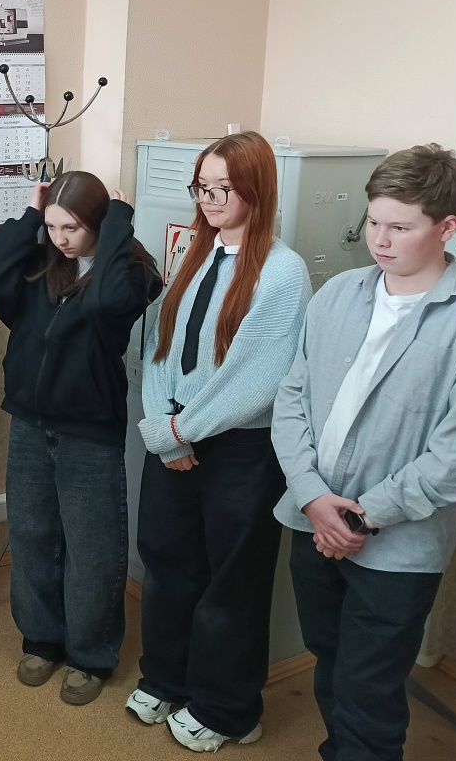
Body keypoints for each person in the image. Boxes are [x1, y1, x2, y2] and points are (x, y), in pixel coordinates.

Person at [273, 144, 456, 761]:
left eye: (400, 228)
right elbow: (292, 399)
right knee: (329, 661)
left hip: (397, 547)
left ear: (447, 227)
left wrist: (358, 519)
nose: (379, 240)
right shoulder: (337, 294)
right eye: (373, 221)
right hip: (313, 518)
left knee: (369, 689)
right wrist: (313, 498)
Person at [128, 131, 312, 752]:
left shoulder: (283, 273)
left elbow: (257, 378)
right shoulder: (195, 253)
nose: (207, 200)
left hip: (238, 448)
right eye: (201, 188)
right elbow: (161, 345)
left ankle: (228, 709)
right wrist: (164, 428)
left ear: (256, 190)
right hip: (175, 435)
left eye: (221, 189)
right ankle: (166, 679)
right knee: (167, 561)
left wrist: (182, 430)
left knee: (231, 579)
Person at [0, 171, 161, 707]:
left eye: (72, 228)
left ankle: (90, 654)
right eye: (52, 227)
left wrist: (119, 224)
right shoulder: (41, 264)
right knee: (32, 533)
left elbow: (103, 305)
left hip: (90, 430)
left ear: (100, 222)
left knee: (93, 548)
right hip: (30, 423)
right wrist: (31, 215)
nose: (60, 239)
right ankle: (42, 639)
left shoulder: (131, 273)